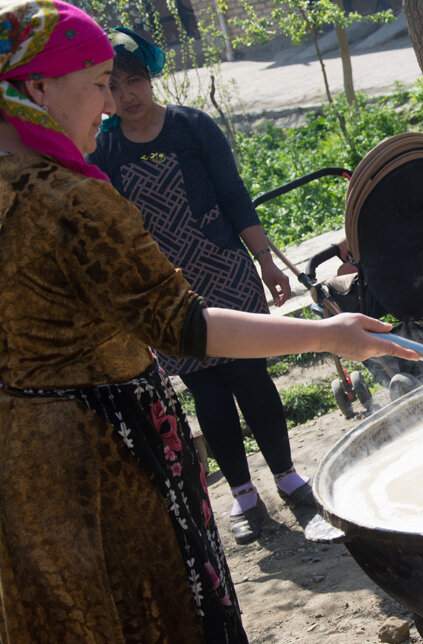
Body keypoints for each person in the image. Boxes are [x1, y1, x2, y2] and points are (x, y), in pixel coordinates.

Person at [0, 2, 417, 644]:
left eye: (117, 81)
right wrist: (331, 334)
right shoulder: (67, 196)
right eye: (97, 81)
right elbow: (185, 325)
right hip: (104, 457)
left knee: (72, 628)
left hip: (23, 460)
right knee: (151, 619)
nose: (109, 104)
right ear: (36, 87)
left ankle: (279, 478)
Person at [87, 28, 308, 545]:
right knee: (207, 394)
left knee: (253, 381)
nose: (127, 96)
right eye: (113, 88)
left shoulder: (192, 127)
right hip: (166, 292)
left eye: (135, 81)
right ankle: (243, 493)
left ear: (150, 77)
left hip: (227, 272)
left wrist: (266, 261)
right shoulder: (105, 149)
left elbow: (233, 195)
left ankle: (287, 475)